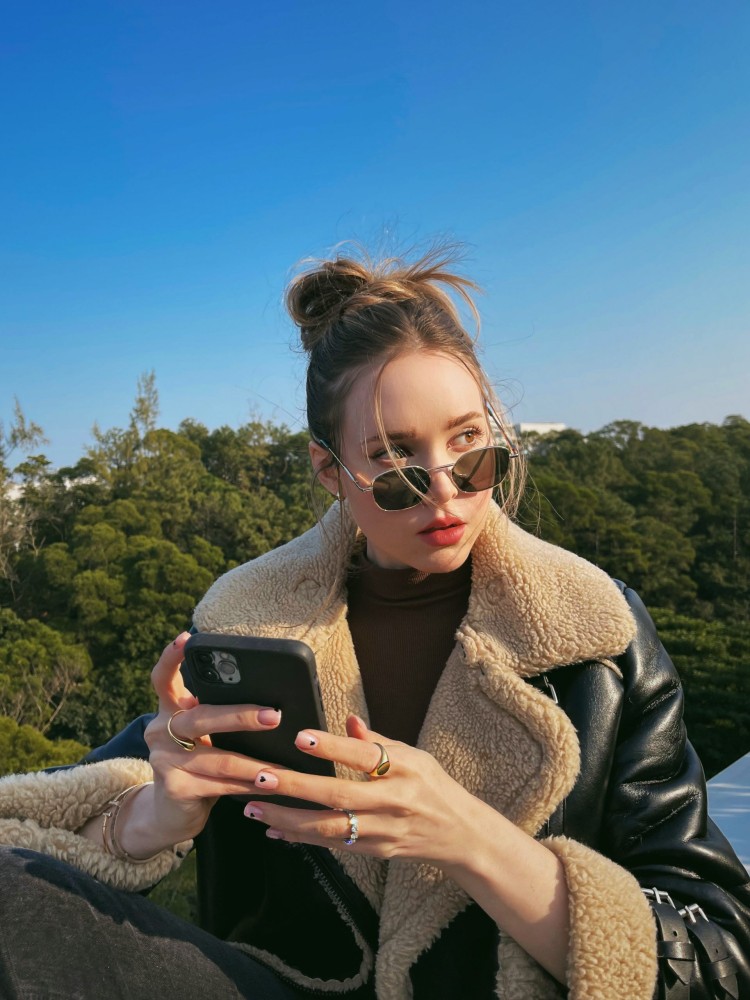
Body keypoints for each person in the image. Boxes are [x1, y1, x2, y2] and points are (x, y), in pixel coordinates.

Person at [0, 248, 748, 1000]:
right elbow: (37, 831)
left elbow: (718, 947)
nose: (445, 492)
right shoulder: (253, 627)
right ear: (330, 471)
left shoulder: (595, 639)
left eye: (470, 446)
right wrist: (153, 819)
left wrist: (470, 839)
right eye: (395, 463)